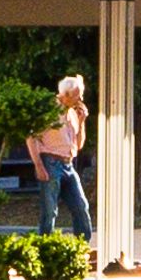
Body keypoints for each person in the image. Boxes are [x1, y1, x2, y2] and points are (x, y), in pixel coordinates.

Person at [30, 75, 93, 238]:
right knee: (50, 211)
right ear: (65, 95)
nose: (80, 99)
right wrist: (38, 165)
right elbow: (31, 137)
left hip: (68, 163)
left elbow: (78, 145)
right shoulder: (49, 109)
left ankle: (82, 246)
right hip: (50, 161)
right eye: (77, 95)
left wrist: (82, 120)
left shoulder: (72, 113)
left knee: (81, 206)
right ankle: (45, 245)